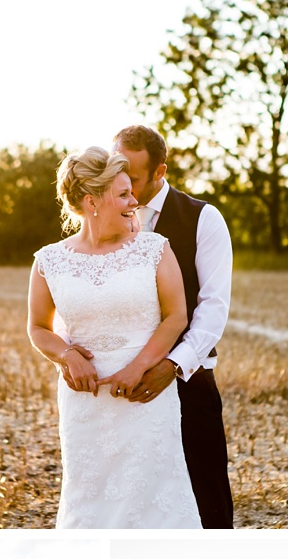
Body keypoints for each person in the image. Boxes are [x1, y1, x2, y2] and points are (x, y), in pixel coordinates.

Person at [28, 146, 201, 529]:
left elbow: (176, 317)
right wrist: (66, 356)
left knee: (154, 495)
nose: (134, 201)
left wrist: (139, 368)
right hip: (84, 403)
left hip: (145, 396)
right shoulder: (49, 261)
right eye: (123, 194)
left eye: (131, 192)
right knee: (90, 497)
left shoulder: (154, 249)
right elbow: (38, 326)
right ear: (92, 202)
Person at [113, 125, 234, 529]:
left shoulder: (203, 219)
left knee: (205, 497)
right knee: (133, 497)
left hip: (189, 383)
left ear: (160, 172)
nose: (121, 182)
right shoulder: (104, 218)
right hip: (122, 386)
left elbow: (213, 308)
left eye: (131, 174)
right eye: (116, 169)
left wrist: (173, 366)